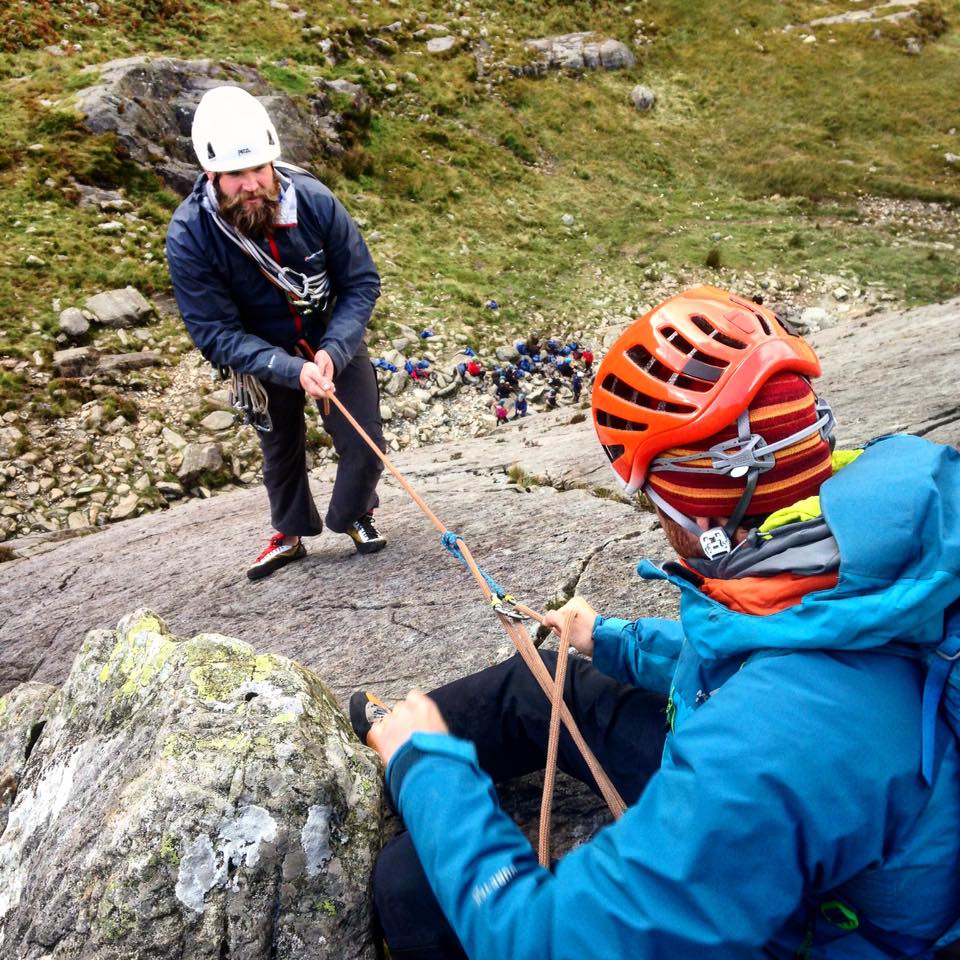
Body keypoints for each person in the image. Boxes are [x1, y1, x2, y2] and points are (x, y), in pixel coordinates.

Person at [354, 286, 960, 958]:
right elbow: (788, 650)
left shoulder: (772, 743)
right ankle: (391, 741)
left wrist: (431, 773)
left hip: (804, 896)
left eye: (651, 494)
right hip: (813, 801)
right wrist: (611, 639)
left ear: (699, 510)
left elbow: (544, 943)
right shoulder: (873, 548)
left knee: (409, 882)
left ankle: (407, 751)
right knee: (548, 681)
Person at [166, 85, 387, 580]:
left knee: (364, 435)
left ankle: (354, 514)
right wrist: (289, 368)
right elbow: (214, 332)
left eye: (259, 170)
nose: (251, 184)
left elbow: (360, 282)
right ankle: (289, 533)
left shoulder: (313, 201)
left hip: (329, 333)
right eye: (235, 175)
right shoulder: (191, 235)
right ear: (211, 175)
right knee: (279, 442)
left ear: (273, 163)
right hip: (258, 351)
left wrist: (334, 348)